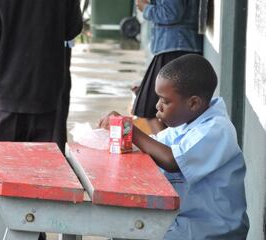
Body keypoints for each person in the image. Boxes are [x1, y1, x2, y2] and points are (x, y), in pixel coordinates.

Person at [99, 54, 249, 239]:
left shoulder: (217, 129)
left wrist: (130, 129)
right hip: (185, 220)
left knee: (126, 230)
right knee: (121, 226)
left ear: (193, 103)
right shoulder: (185, 126)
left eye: (165, 101)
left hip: (211, 229)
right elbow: (153, 147)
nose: (157, 106)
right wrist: (117, 137)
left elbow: (171, 160)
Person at [0, 0, 83, 143]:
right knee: (42, 160)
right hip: (46, 88)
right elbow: (72, 29)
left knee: (8, 160)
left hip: (9, 88)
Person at [132, 0, 203, 134]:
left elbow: (171, 13)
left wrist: (146, 8)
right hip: (179, 45)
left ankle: (165, 151)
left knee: (149, 108)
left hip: (173, 46)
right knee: (164, 108)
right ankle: (167, 149)